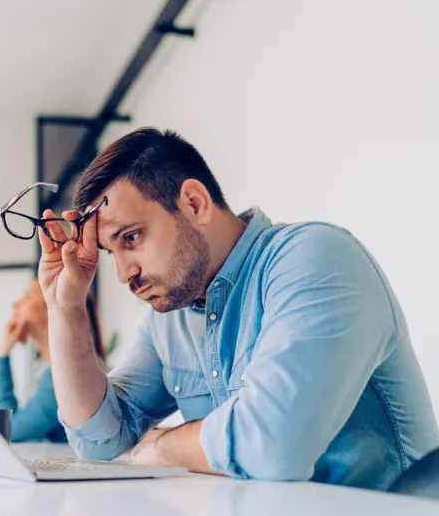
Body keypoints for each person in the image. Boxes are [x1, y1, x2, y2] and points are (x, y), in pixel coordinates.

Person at [35, 127, 439, 490]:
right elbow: (99, 440)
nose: (124, 274)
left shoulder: (314, 257)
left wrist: (164, 444)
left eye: (132, 238)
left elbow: (272, 445)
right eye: (111, 252)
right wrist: (65, 309)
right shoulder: (170, 319)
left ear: (194, 203)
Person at [0, 279, 105, 443]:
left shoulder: (70, 374)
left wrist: (2, 356)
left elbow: (9, 430)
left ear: (54, 308)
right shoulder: (41, 369)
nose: (16, 304)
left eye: (28, 296)